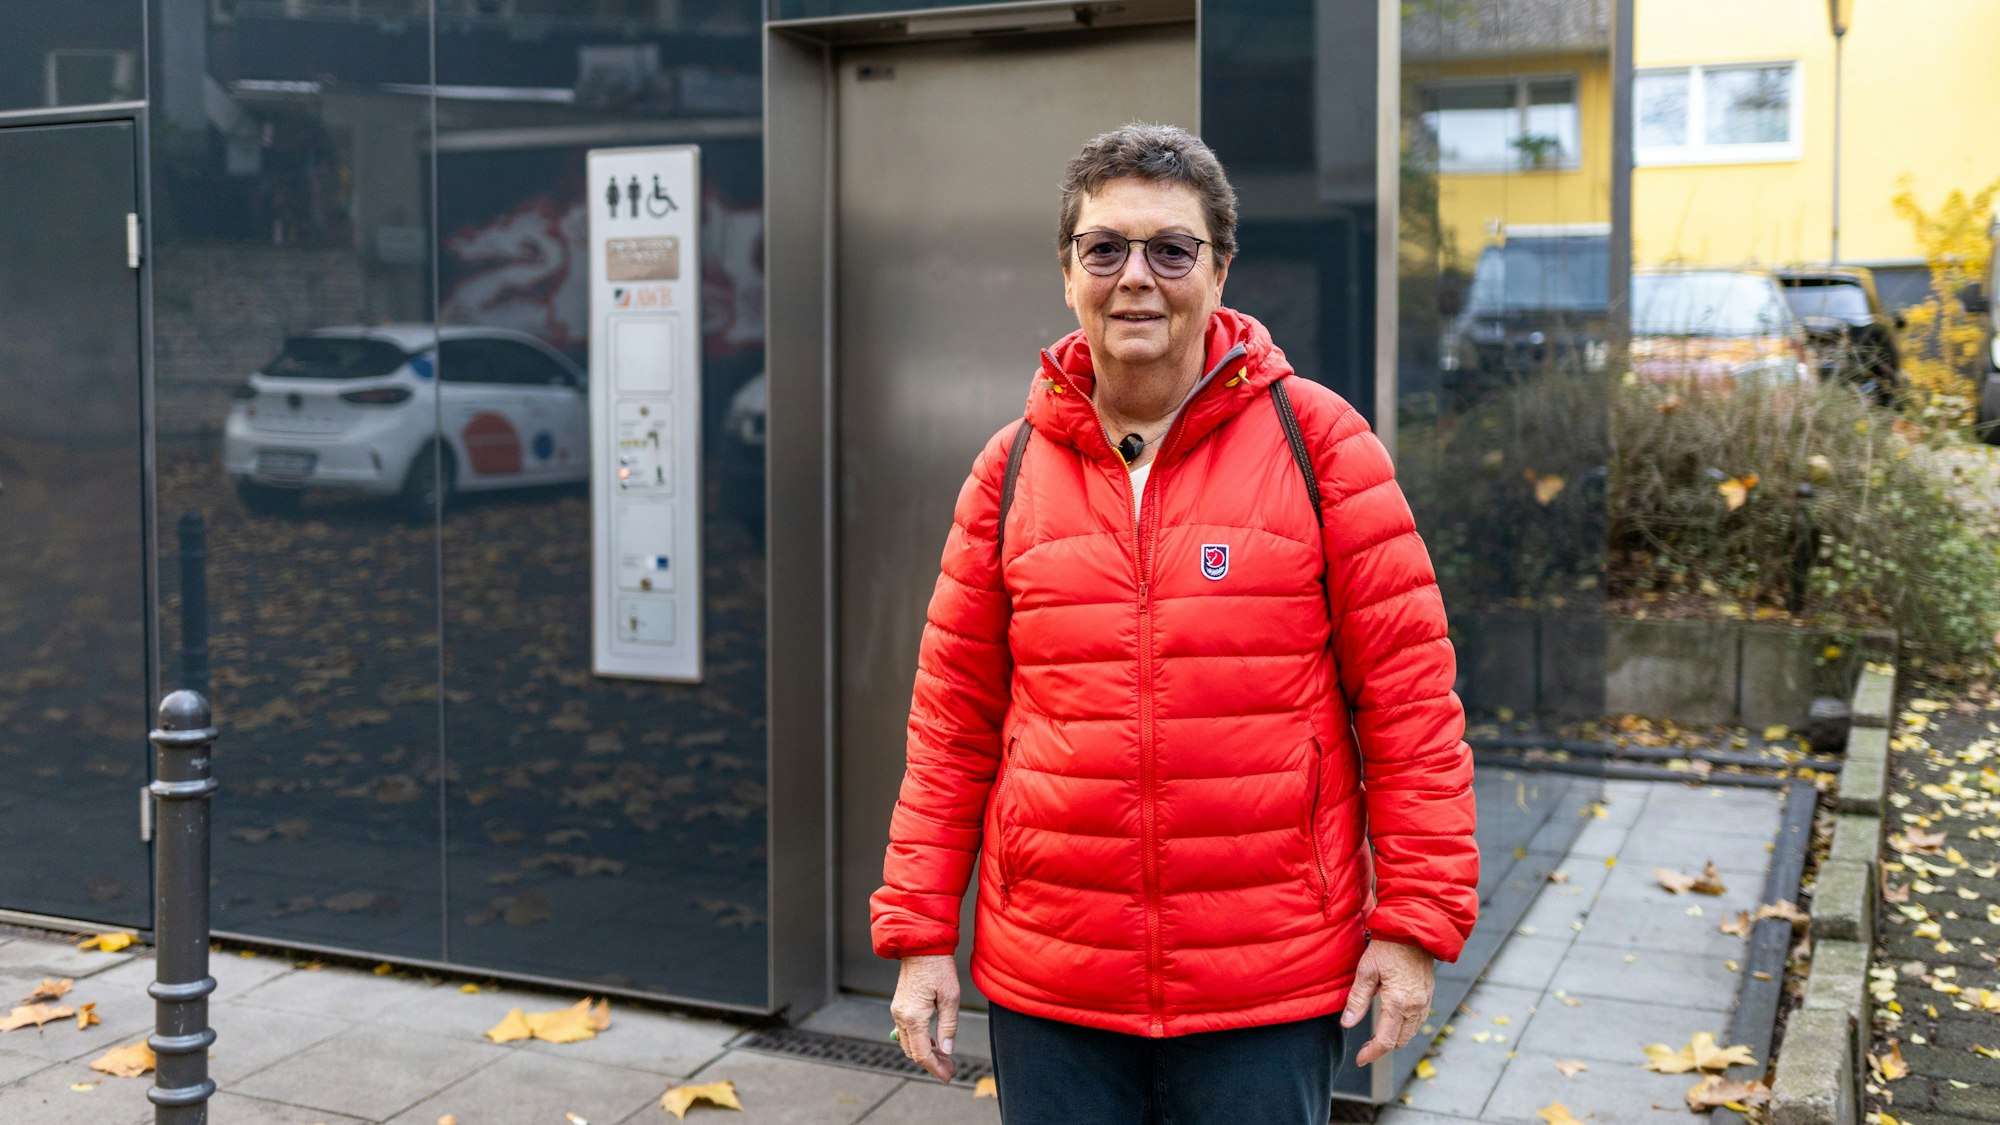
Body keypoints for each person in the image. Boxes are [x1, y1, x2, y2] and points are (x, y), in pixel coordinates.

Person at [869, 123, 1479, 1125]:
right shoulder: (1007, 471)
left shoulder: (1322, 446)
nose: (1135, 278)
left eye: (1170, 249)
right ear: (1066, 271)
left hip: (1263, 981)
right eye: (1104, 249)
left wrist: (1411, 926)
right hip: (1052, 981)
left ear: (1220, 267)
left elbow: (1411, 713)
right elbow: (949, 730)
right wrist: (920, 937)